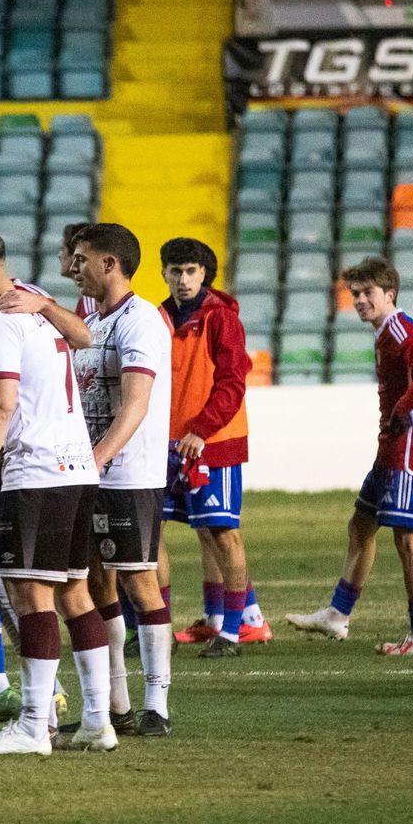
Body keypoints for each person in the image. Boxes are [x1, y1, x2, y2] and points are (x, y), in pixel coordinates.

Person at [0, 226, 107, 756]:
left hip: (35, 472)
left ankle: (34, 726)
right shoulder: (35, 301)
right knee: (75, 592)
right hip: (79, 467)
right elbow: (86, 336)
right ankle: (99, 720)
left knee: (30, 595)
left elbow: (1, 405)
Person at [286, 257, 413, 656]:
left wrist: (402, 408)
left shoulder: (402, 330)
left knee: (409, 542)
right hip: (391, 450)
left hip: (411, 450)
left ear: (390, 294)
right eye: (354, 294)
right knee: (360, 526)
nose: (358, 300)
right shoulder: (385, 333)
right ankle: (337, 615)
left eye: (367, 293)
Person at [71, 224, 174, 738]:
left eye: (82, 258)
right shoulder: (89, 318)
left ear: (110, 263)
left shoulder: (142, 321)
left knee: (139, 581)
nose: (74, 267)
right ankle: (117, 702)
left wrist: (98, 459)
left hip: (128, 471)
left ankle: (158, 704)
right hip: (87, 470)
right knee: (93, 581)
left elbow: (136, 404)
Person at [155, 238, 268, 655]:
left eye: (190, 271)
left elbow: (233, 382)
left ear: (204, 274)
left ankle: (234, 631)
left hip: (212, 442)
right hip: (167, 444)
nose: (182, 279)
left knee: (222, 532)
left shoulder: (221, 318)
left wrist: (202, 430)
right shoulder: (159, 318)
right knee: (154, 534)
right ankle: (161, 630)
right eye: (175, 270)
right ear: (164, 273)